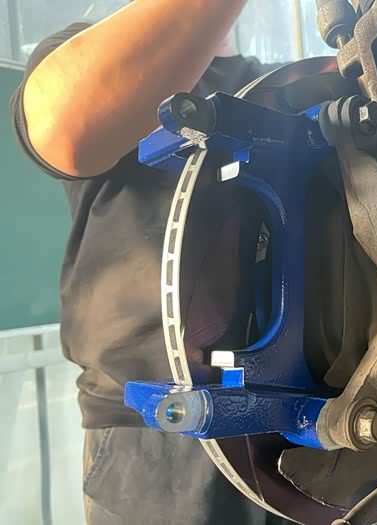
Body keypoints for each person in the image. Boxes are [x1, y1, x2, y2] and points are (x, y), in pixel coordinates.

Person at [10, 1, 288, 523]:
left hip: (302, 427)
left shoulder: (285, 85)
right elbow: (61, 124)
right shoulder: (87, 52)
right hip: (153, 436)